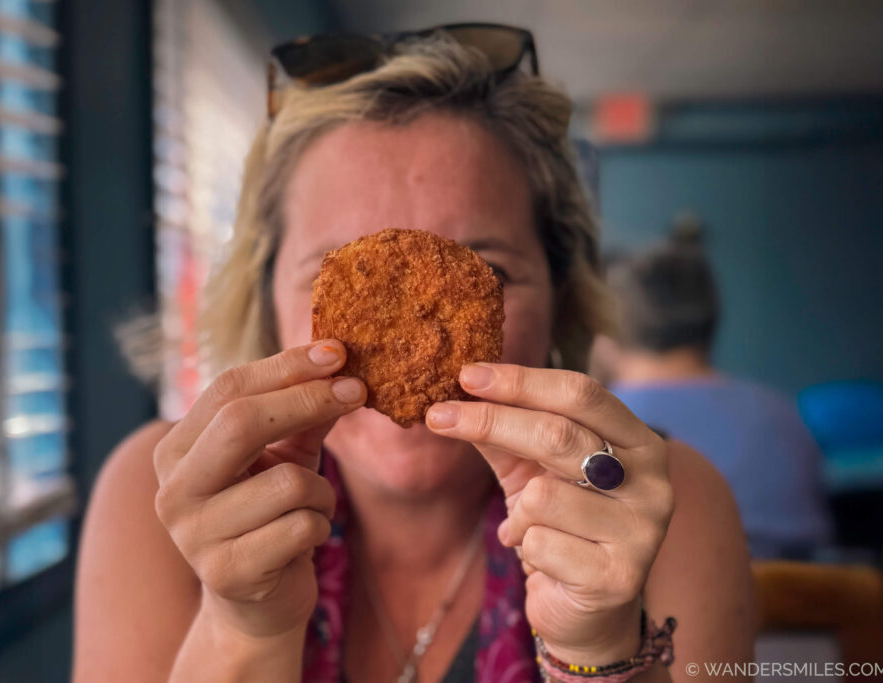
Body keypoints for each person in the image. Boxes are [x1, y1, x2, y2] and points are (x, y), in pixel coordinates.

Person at [74, 29, 754, 683]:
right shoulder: (156, 501)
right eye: (337, 272)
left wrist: (601, 643)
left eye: (483, 268)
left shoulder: (664, 506)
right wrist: (244, 627)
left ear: (563, 298)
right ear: (265, 302)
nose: (410, 334)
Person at [592, 232, 833, 559]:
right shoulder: (784, 413)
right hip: (813, 604)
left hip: (678, 600)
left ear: (606, 331)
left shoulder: (607, 427)